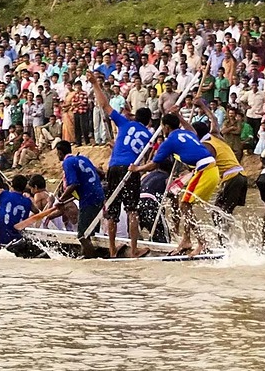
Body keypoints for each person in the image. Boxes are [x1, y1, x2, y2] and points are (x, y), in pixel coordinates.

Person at [136, 112, 218, 256]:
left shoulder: (169, 141)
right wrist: (180, 117)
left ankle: (202, 242)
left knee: (184, 205)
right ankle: (187, 239)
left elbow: (154, 164)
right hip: (209, 168)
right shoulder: (188, 134)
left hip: (205, 169)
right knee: (185, 204)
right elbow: (192, 130)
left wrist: (136, 168)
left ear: (166, 127)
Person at [90, 73, 153, 258]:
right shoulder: (150, 136)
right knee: (132, 210)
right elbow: (149, 157)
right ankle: (133, 250)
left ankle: (111, 250)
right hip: (131, 169)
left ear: (135, 117)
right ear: (148, 121)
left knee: (112, 210)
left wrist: (95, 85)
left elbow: (104, 105)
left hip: (114, 167)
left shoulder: (125, 123)